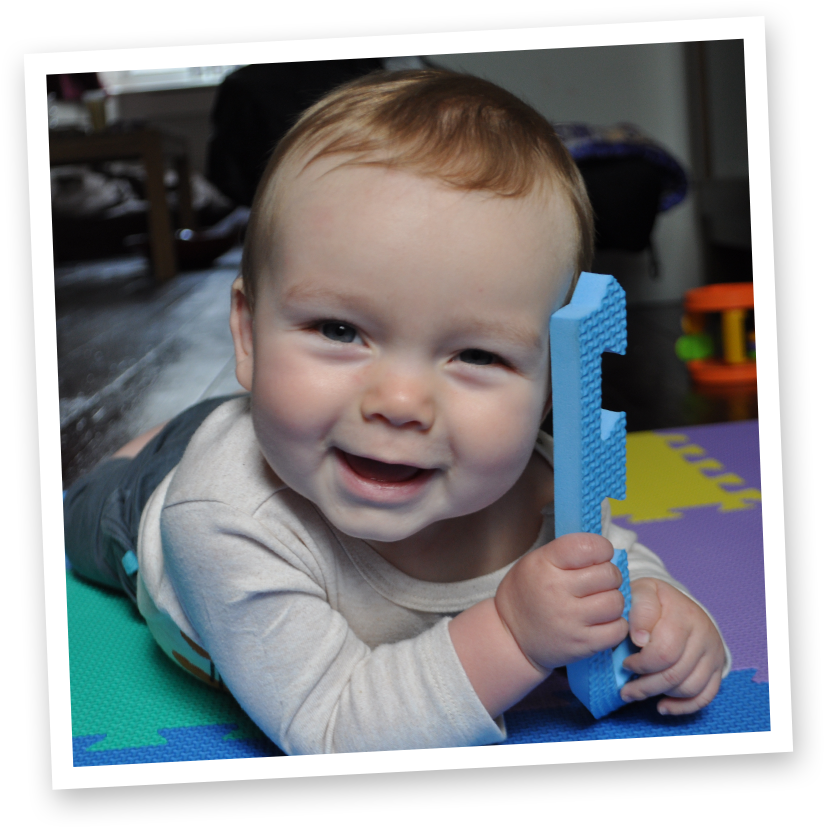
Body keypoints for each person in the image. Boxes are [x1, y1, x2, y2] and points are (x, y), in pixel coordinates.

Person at [63, 69, 730, 755]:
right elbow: (332, 728)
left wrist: (665, 614)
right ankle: (152, 448)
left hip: (297, 430)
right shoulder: (223, 517)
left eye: (475, 353)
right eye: (341, 330)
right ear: (248, 334)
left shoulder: (540, 490)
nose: (400, 403)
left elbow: (615, 561)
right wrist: (509, 634)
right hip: (143, 508)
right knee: (75, 516)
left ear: (551, 385)